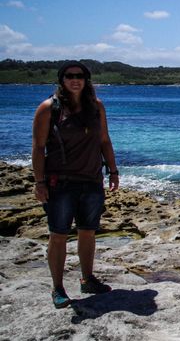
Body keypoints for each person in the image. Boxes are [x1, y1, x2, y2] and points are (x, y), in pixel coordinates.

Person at [32, 61, 120, 308]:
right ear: (62, 80)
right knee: (58, 234)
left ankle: (87, 279)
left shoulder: (96, 106)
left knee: (88, 231)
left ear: (86, 80)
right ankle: (58, 288)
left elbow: (104, 140)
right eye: (69, 76)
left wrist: (113, 171)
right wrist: (39, 182)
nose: (75, 79)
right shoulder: (49, 108)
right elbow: (38, 148)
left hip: (92, 180)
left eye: (80, 76)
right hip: (60, 182)